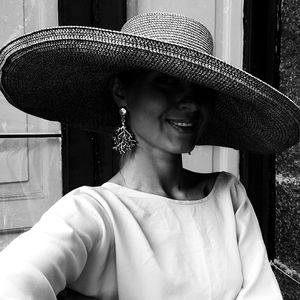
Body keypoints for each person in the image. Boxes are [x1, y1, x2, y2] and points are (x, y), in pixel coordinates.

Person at [0, 11, 299, 300]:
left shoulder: (227, 195)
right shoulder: (94, 213)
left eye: (202, 88)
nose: (192, 103)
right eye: (167, 81)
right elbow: (15, 280)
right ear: (121, 92)